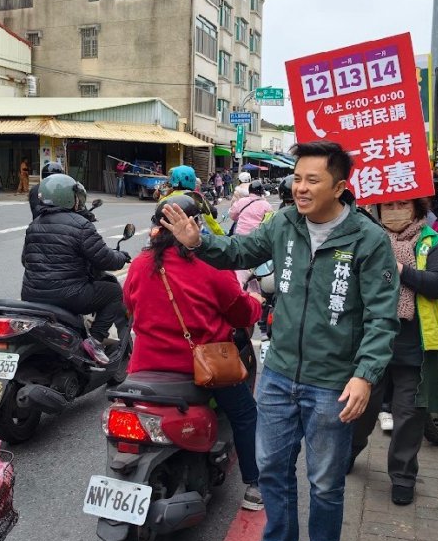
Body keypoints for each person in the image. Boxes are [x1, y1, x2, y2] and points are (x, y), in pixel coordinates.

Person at [160, 141, 399, 541]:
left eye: (313, 180)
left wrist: (365, 375)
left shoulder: (368, 241)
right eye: (297, 178)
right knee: (271, 468)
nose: (300, 187)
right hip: (278, 374)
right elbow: (239, 251)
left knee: (326, 481)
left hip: (334, 383)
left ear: (340, 187)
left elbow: (381, 317)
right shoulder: (285, 222)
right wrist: (198, 241)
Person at [124, 193, 265, 511]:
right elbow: (241, 314)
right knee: (245, 414)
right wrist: (256, 303)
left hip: (144, 370)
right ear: (195, 225)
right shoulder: (212, 263)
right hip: (202, 369)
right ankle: (255, 486)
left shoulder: (141, 263)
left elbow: (129, 306)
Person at [350, 197, 438, 506]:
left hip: (413, 348)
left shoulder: (431, 241)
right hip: (373, 344)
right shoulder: (367, 237)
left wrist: (400, 269)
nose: (393, 211)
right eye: (387, 206)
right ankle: (347, 453)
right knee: (362, 411)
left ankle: (403, 478)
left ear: (417, 208)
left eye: (401, 205)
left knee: (408, 416)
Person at [23, 174, 129, 365]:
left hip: (31, 296)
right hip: (69, 296)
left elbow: (26, 260)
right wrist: (122, 257)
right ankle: (95, 341)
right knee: (113, 292)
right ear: (69, 198)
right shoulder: (81, 224)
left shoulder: (34, 224)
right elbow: (105, 259)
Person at [165, 165, 225, 236]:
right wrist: (222, 235)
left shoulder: (165, 199)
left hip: (167, 241)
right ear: (193, 180)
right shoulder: (196, 198)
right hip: (190, 239)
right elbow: (209, 223)